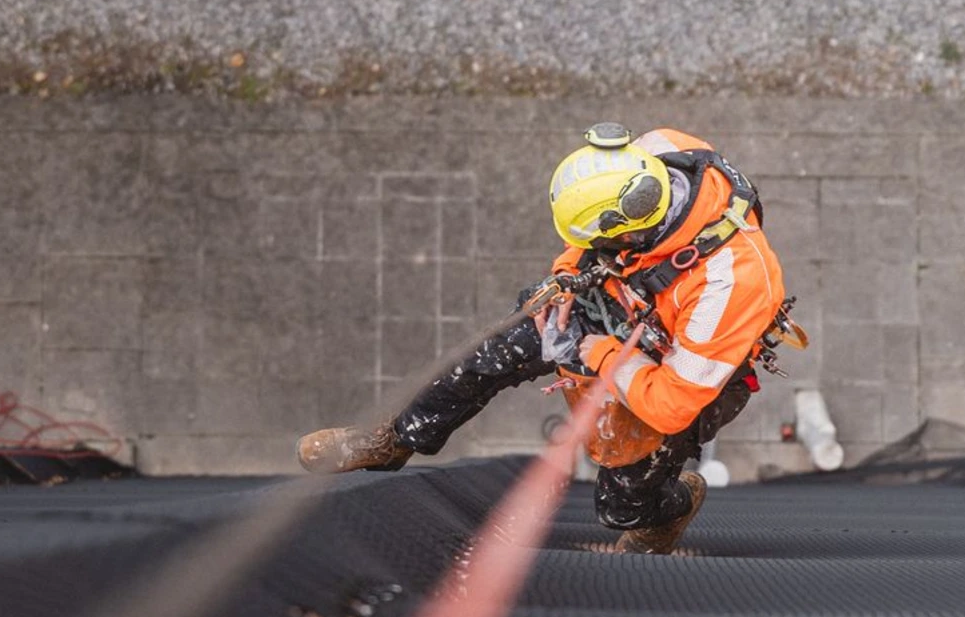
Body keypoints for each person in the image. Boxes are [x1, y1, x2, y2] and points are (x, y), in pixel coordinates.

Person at [298, 123, 793, 554]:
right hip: (627, 297)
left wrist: (595, 352)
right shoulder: (656, 153)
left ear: (628, 229)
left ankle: (669, 511)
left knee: (622, 506)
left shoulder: (732, 282)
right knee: (495, 352)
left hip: (677, 368)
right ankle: (395, 439)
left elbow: (670, 405)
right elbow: (582, 243)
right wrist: (564, 280)